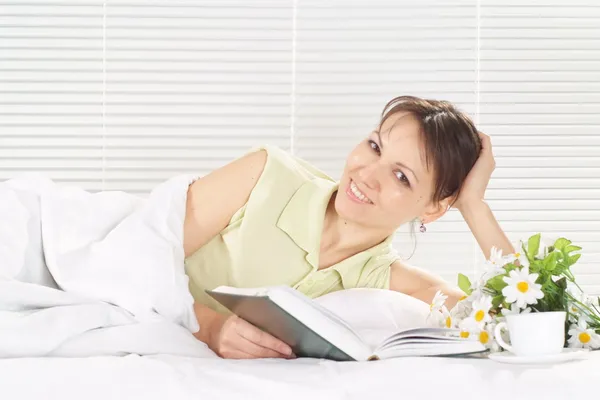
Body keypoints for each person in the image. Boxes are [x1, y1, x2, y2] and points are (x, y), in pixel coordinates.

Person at [182, 95, 515, 360]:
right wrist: (209, 327)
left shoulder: (387, 283)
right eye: (375, 146)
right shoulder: (266, 175)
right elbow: (139, 254)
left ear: (433, 208)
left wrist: (474, 206)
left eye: (401, 176)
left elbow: (520, 326)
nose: (367, 175)